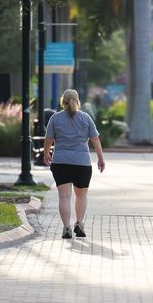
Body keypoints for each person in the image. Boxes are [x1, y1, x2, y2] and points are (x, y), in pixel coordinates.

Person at [43, 89, 106, 239]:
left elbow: (48, 140)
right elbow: (95, 139)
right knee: (81, 195)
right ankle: (79, 224)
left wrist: (46, 154)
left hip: (61, 162)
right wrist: (101, 158)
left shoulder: (55, 118)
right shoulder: (86, 118)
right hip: (82, 164)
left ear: (62, 101)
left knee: (64, 197)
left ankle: (66, 228)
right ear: (77, 101)